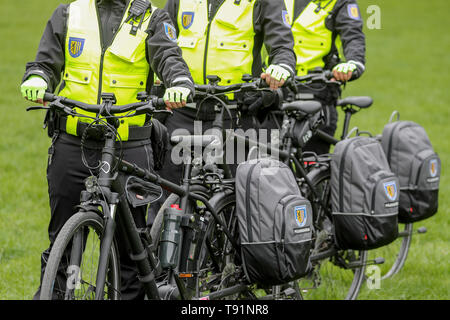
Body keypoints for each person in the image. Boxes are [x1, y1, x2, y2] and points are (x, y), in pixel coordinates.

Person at [20, 0, 194, 299]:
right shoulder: (69, 12)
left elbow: (169, 58)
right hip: (74, 143)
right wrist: (37, 77)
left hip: (129, 147)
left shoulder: (153, 18)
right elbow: (45, 62)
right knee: (61, 237)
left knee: (130, 251)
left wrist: (178, 81)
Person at [149, 0, 297, 221]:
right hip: (184, 110)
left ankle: (235, 252)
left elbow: (282, 45)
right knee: (165, 195)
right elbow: (162, 43)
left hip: (234, 113)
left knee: (242, 202)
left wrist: (282, 66)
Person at [283, 0, 366, 154]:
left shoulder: (340, 3)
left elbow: (353, 36)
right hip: (278, 88)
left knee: (312, 162)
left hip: (317, 89)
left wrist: (354, 63)